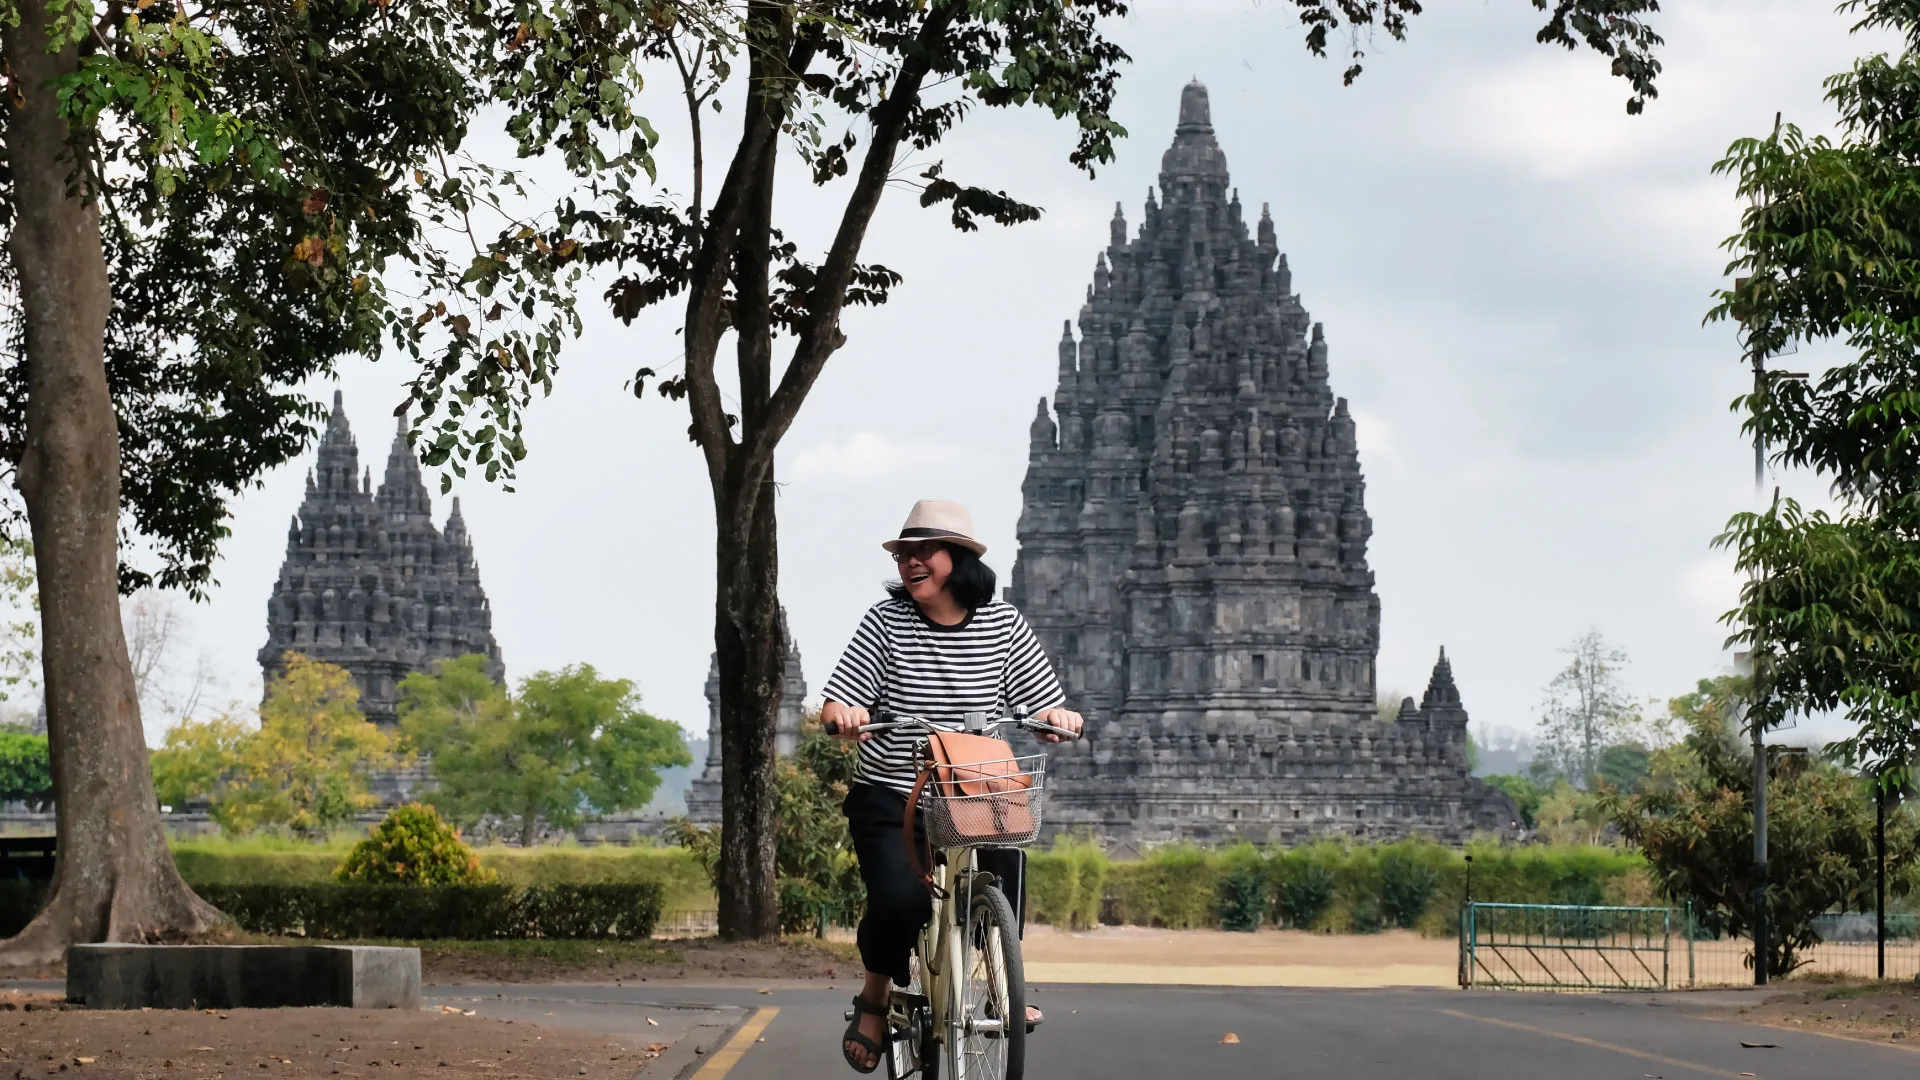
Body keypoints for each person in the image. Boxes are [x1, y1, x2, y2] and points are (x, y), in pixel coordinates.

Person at [822, 498, 1084, 1074]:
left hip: (973, 787)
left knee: (1006, 860)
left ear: (959, 559)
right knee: (901, 900)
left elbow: (1041, 698)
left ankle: (1000, 986)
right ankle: (874, 995)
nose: (911, 564)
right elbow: (845, 693)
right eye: (905, 554)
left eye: (925, 553)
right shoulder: (885, 622)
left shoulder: (1002, 623)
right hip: (895, 790)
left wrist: (1058, 718)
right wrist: (844, 713)